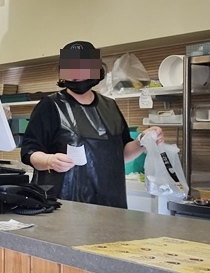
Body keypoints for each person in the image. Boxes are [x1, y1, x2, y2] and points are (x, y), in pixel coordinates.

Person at [20, 40, 164, 208]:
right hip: (64, 204)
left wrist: (143, 141)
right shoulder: (50, 106)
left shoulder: (110, 106)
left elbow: (121, 154)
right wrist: (49, 160)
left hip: (110, 204)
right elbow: (29, 152)